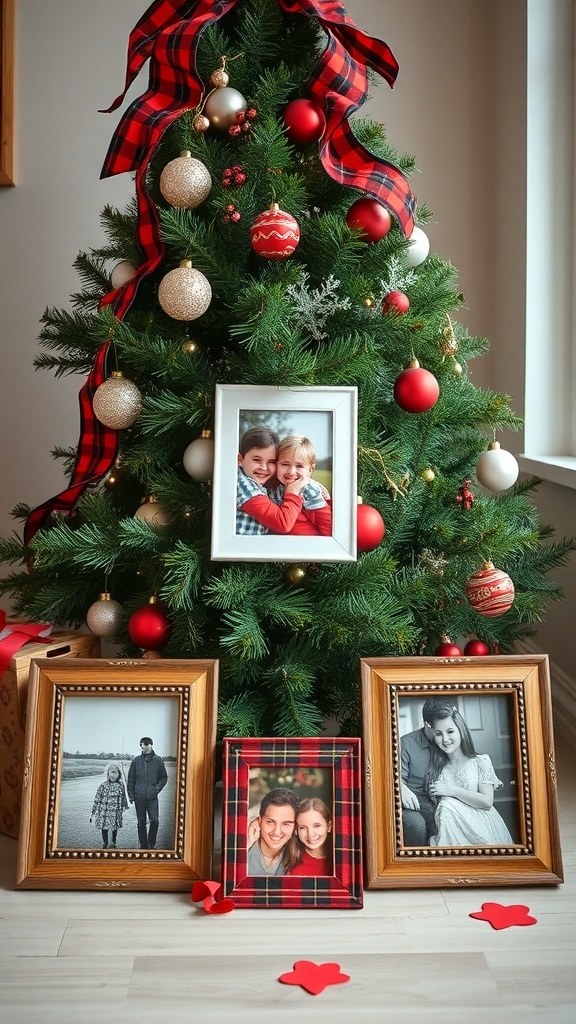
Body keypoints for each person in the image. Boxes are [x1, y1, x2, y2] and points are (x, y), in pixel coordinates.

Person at [425, 705, 514, 846]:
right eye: (438, 734)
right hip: (453, 830)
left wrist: (451, 790)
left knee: (447, 804)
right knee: (446, 806)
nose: (445, 739)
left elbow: (487, 802)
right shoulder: (438, 770)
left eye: (450, 731)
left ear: (461, 731)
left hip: (482, 827)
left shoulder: (480, 761)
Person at [237, 429, 331, 536]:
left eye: (271, 462)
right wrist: (292, 493)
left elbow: (327, 526)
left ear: (310, 470)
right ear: (240, 459)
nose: (291, 472)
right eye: (285, 464)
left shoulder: (309, 490)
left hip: (306, 547)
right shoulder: (249, 485)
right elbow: (281, 523)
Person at [401, 697, 453, 845]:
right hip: (415, 803)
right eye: (438, 731)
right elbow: (392, 776)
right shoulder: (406, 743)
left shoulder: (451, 740)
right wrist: (401, 787)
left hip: (446, 799)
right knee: (416, 825)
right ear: (427, 725)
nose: (445, 738)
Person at [247, 787, 299, 875]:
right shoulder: (244, 850)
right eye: (270, 822)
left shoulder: (299, 857)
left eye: (286, 824)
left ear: (295, 827)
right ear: (259, 821)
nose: (277, 831)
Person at [127, 736, 168, 850]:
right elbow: (131, 779)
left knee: (154, 820)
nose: (142, 746)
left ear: (150, 745)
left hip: (152, 797)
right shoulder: (136, 761)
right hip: (138, 796)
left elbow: (163, 778)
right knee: (141, 822)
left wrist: (155, 789)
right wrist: (131, 795)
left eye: (144, 744)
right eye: (141, 744)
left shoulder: (158, 760)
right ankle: (143, 845)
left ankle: (151, 843)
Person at [287, 798, 333, 876]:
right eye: (303, 827)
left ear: (328, 826)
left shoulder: (340, 860)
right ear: (296, 831)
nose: (310, 834)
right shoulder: (291, 865)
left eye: (317, 826)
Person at [89, 762, 129, 849]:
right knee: (104, 827)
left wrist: (124, 807)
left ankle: (113, 842)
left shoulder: (121, 786)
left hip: (115, 811)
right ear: (108, 773)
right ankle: (105, 842)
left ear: (119, 774)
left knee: (114, 827)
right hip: (104, 811)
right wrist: (93, 812)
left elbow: (124, 799)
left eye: (116, 772)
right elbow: (96, 800)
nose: (113, 774)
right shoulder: (103, 786)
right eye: (111, 772)